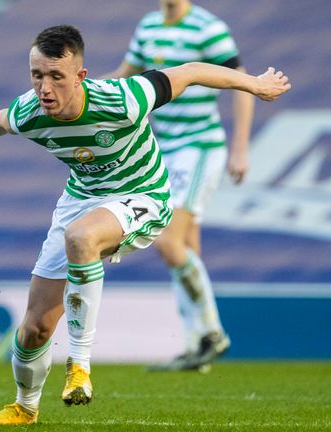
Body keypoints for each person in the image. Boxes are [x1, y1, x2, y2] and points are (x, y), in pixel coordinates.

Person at [0, 25, 289, 425]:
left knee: (82, 238)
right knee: (34, 327)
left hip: (144, 195)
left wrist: (253, 84)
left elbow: (189, 71)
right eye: (37, 75)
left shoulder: (123, 99)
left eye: (56, 77)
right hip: (81, 199)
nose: (45, 88)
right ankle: (25, 406)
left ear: (80, 77)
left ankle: (79, 366)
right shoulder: (30, 111)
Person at [101, 0, 254, 372]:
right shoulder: (148, 26)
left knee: (169, 243)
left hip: (199, 147)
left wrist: (240, 147)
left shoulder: (207, 27)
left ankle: (214, 334)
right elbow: (126, 73)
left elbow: (242, 81)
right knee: (186, 249)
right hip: (163, 150)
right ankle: (196, 348)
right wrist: (85, 90)